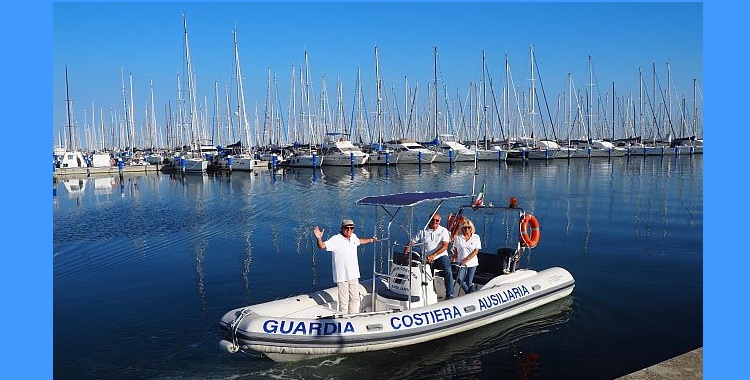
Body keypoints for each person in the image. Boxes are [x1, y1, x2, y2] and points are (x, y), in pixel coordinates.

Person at [313, 218, 377, 314]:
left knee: (355, 299)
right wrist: (319, 238)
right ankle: (343, 317)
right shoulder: (336, 239)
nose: (349, 230)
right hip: (342, 276)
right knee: (344, 300)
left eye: (351, 228)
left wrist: (371, 240)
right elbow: (322, 246)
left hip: (354, 274)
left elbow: (359, 241)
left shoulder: (353, 237)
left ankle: (354, 316)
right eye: (346, 228)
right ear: (342, 228)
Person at [403, 213, 455, 300]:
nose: (434, 222)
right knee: (422, 274)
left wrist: (433, 255)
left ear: (439, 221)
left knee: (448, 270)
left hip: (440, 256)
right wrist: (405, 254)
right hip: (426, 257)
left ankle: (450, 294)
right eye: (432, 219)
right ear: (429, 220)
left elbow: (445, 246)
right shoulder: (422, 231)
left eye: (437, 220)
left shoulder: (443, 230)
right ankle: (424, 293)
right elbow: (411, 242)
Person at [453, 218, 481, 294]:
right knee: (459, 279)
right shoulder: (458, 238)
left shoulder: (476, 237)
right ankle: (469, 293)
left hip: (472, 262)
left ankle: (469, 293)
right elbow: (455, 249)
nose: (467, 229)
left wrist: (466, 260)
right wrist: (454, 258)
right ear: (462, 229)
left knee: (469, 281)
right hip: (461, 262)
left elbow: (476, 251)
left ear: (472, 228)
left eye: (469, 227)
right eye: (465, 228)